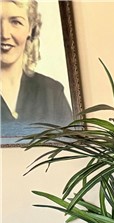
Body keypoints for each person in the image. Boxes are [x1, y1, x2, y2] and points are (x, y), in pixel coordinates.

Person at [1, 0, 73, 141]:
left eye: (15, 22)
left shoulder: (52, 92)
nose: (4, 34)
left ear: (31, 28)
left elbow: (73, 148)